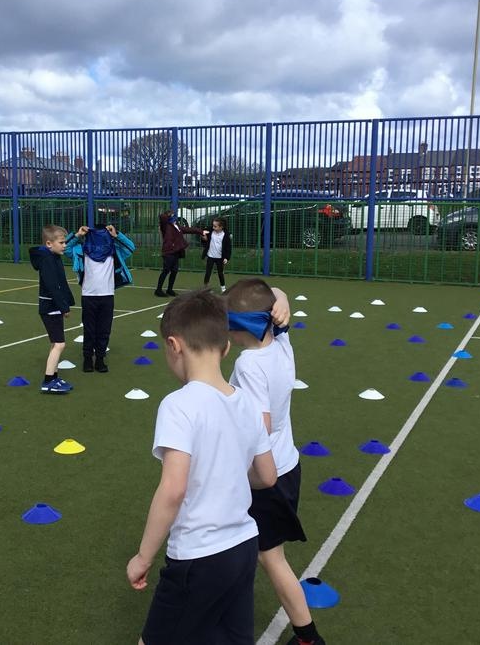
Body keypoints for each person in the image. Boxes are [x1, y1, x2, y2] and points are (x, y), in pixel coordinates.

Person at [126, 289, 278, 644]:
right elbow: (267, 476)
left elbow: (173, 489)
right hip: (243, 546)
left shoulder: (178, 405)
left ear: (174, 345)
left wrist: (143, 557)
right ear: (225, 348)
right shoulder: (247, 403)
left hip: (198, 555)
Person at [225, 278, 325, 645]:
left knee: (271, 558)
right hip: (287, 464)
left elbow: (259, 426)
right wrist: (281, 298)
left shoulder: (249, 364)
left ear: (241, 326)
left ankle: (308, 636)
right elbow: (276, 296)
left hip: (265, 473)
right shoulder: (281, 343)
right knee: (247, 547)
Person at [65, 223, 135, 373]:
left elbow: (131, 247)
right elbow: (66, 248)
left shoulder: (114, 251)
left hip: (107, 295)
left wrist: (117, 235)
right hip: (88, 296)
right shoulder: (81, 250)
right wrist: (78, 235)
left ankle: (100, 359)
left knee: (104, 329)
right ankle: (87, 358)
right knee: (89, 329)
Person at [29, 224, 75, 394]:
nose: (65, 245)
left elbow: (61, 283)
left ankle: (54, 376)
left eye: (65, 242)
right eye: (61, 242)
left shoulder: (53, 257)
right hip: (50, 307)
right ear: (49, 244)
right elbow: (53, 286)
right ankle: (48, 381)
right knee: (60, 344)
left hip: (54, 306)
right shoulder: (47, 260)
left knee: (55, 343)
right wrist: (64, 306)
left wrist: (67, 301)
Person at [155, 210, 206, 298]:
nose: (174, 218)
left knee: (174, 271)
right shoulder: (166, 226)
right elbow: (162, 217)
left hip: (176, 252)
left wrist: (201, 231)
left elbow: (189, 229)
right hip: (168, 252)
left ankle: (169, 289)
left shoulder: (177, 226)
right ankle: (158, 290)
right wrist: (169, 214)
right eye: (172, 216)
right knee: (166, 270)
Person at [201, 216, 232, 293]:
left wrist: (226, 258)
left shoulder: (226, 235)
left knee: (220, 273)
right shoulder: (210, 231)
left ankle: (223, 288)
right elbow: (203, 235)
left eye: (215, 226)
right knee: (208, 272)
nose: (213, 227)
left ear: (221, 227)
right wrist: (203, 237)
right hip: (210, 256)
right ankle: (206, 288)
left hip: (220, 258)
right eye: (213, 225)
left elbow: (228, 248)